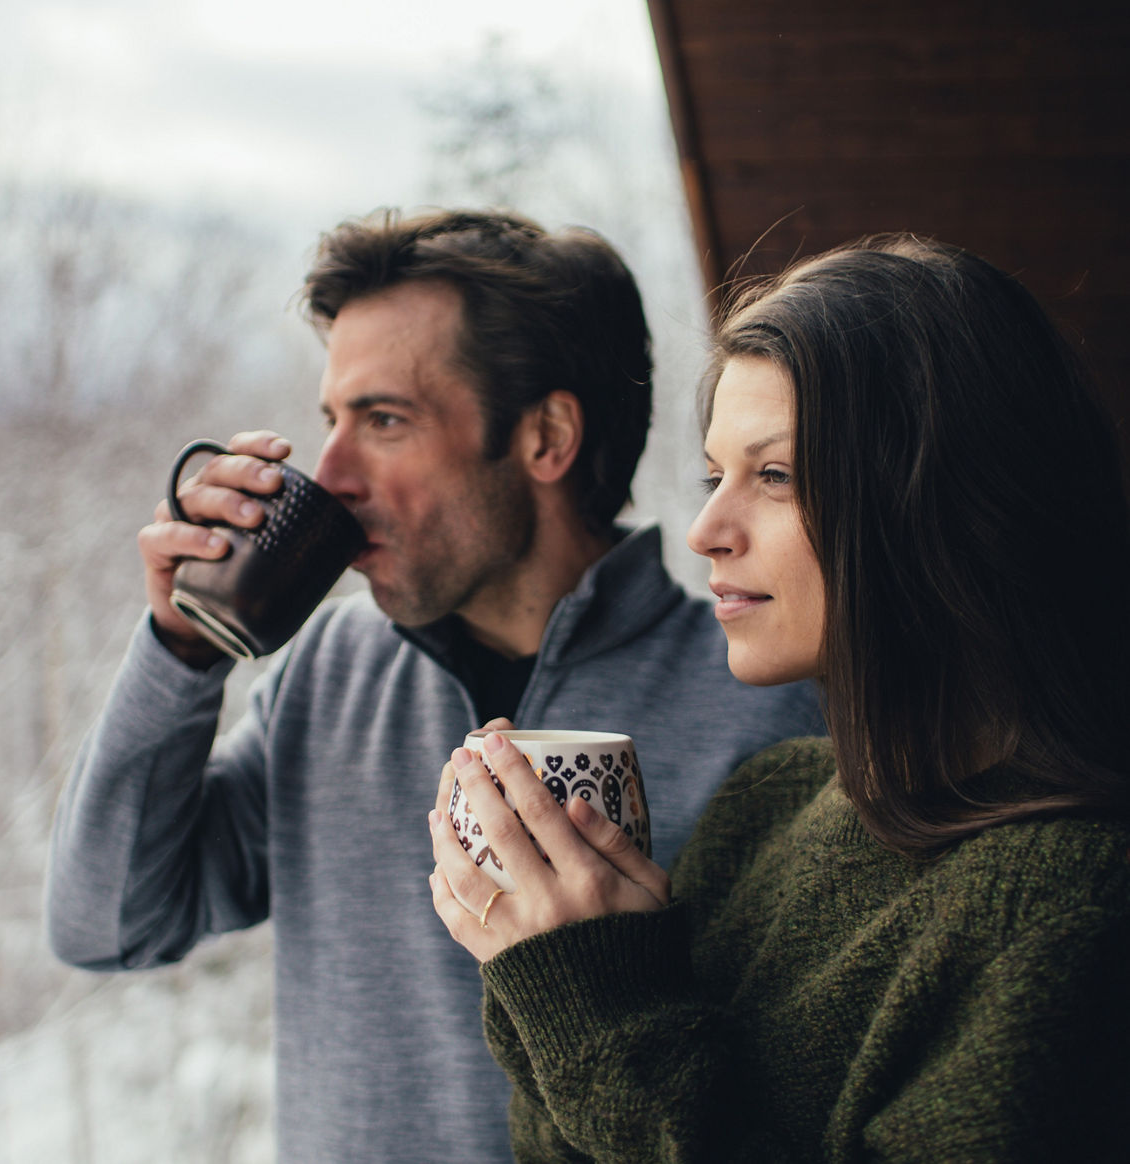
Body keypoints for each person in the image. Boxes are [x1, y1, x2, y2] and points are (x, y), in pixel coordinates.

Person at [45, 208, 824, 1163]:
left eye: (384, 421)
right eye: (332, 421)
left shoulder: (774, 700)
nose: (329, 474)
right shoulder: (330, 672)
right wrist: (179, 651)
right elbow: (108, 925)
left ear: (545, 437)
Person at [429, 233, 1130, 1162]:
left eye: (776, 475)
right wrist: (548, 956)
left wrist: (597, 1003)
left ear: (946, 498)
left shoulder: (1070, 905)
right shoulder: (764, 810)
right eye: (714, 476)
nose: (707, 530)